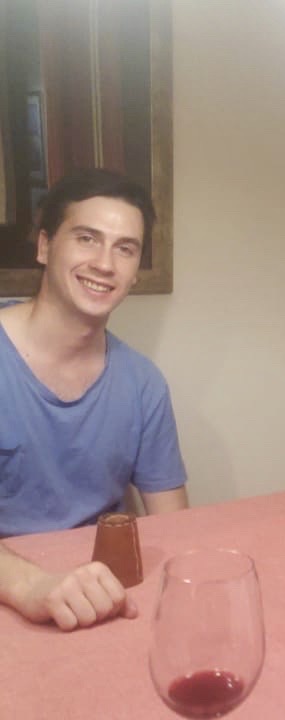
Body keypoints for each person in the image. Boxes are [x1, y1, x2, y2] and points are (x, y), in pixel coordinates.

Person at [0, 168, 188, 631]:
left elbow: (175, 530)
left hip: (105, 602)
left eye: (125, 248)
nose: (105, 264)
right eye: (87, 238)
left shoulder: (143, 384)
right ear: (45, 247)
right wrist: (31, 587)